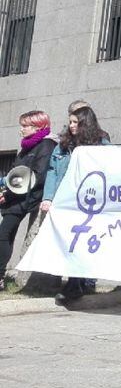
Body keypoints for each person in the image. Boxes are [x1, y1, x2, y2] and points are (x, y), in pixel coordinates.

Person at [40, 106, 110, 305]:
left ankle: (78, 283)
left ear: (85, 123)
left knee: (83, 241)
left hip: (90, 201)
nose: (71, 126)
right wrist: (48, 198)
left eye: (75, 122)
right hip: (66, 200)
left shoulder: (100, 144)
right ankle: (74, 283)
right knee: (69, 241)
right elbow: (53, 171)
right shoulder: (63, 145)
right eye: (69, 122)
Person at [0, 110, 55, 284]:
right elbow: (16, 173)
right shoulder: (27, 146)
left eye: (25, 126)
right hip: (16, 197)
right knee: (6, 235)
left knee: (3, 235)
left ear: (38, 126)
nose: (21, 130)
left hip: (28, 198)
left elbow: (38, 176)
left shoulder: (46, 145)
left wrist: (11, 191)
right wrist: (6, 192)